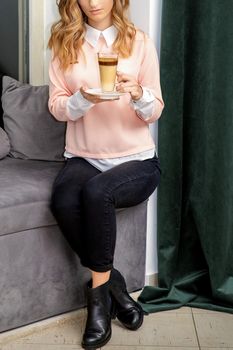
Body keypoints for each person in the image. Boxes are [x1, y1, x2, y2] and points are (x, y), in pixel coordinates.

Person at [48, 0, 164, 349]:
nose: (93, 2)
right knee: (63, 200)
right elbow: (56, 106)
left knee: (98, 193)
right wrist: (82, 100)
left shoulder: (139, 41)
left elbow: (155, 109)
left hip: (137, 159)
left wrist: (138, 93)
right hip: (84, 156)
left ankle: (97, 305)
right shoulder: (64, 43)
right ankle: (117, 286)